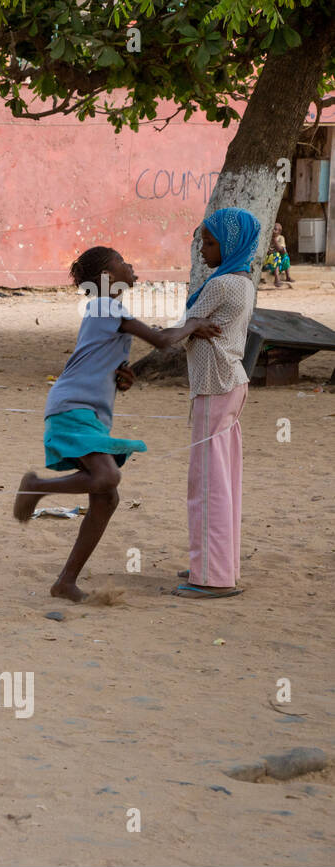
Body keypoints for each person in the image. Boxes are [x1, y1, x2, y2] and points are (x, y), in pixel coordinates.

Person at [14, 246, 220, 602]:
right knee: (107, 477)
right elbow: (161, 341)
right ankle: (36, 487)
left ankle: (65, 582)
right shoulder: (106, 306)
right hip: (72, 408)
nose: (131, 265)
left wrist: (122, 379)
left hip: (87, 412)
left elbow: (103, 365)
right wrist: (194, 324)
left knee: (106, 498)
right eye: (123, 262)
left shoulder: (108, 311)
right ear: (107, 278)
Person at [175, 208, 261, 599]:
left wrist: (188, 328)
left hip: (214, 385)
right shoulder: (243, 282)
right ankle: (218, 563)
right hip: (232, 383)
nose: (203, 250)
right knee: (223, 478)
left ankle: (211, 576)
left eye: (209, 242)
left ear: (229, 243)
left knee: (207, 481)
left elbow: (179, 331)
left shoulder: (221, 284)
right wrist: (193, 328)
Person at [261, 222, 292, 287]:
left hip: (278, 263)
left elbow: (282, 251)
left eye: (275, 229)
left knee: (286, 257)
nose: (273, 231)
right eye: (272, 229)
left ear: (279, 232)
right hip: (268, 263)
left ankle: (288, 276)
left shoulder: (281, 238)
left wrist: (274, 240)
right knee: (276, 255)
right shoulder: (267, 238)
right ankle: (277, 279)